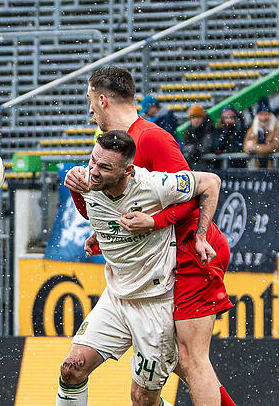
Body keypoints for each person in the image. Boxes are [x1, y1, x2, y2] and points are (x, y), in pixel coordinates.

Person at [65, 66, 236, 406]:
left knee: (189, 358)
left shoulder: (151, 138)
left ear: (102, 100)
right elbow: (123, 203)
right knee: (176, 365)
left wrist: (155, 222)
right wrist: (104, 232)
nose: (89, 111)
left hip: (190, 249)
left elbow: (197, 192)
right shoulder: (113, 148)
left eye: (90, 101)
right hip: (161, 256)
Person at [242, 96, 279, 168]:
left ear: (270, 115)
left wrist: (255, 148)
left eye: (266, 114)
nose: (263, 118)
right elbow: (246, 146)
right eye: (260, 114)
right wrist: (249, 148)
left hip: (278, 168)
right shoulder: (253, 128)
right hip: (259, 167)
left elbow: (275, 147)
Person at [182, 103, 214, 171]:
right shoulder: (188, 130)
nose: (196, 120)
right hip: (195, 164)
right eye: (193, 117)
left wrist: (196, 150)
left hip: (208, 164)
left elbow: (207, 146)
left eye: (198, 117)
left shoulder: (208, 128)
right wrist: (192, 149)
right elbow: (185, 146)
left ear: (203, 118)